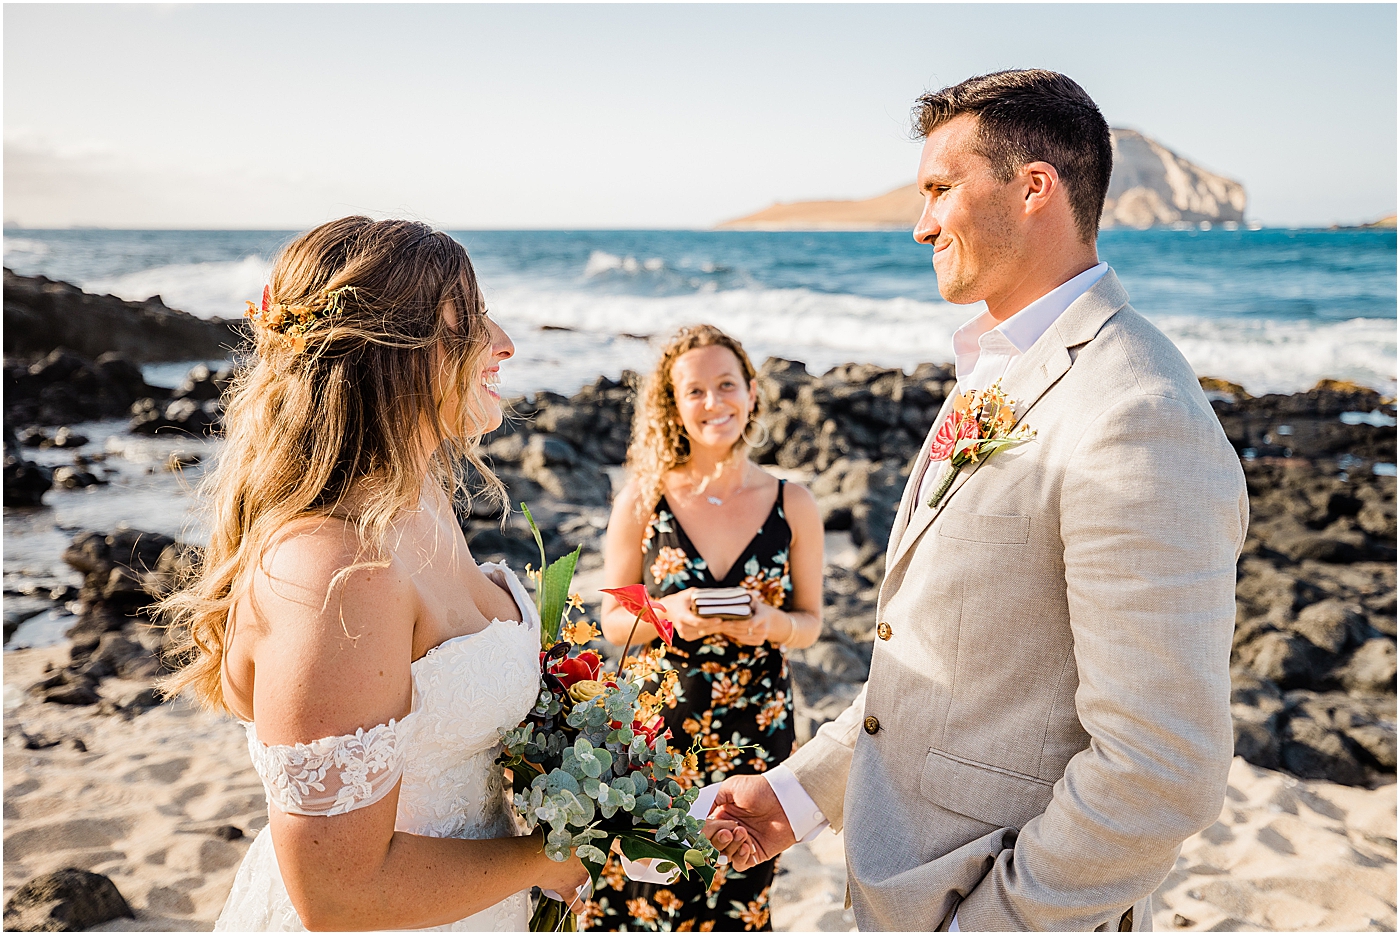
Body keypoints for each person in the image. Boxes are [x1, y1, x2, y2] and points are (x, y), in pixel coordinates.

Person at [708, 70, 1248, 931]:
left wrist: (988, 922)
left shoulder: (1135, 412)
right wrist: (793, 799)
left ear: (1034, 187)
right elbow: (956, 672)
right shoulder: (998, 372)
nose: (921, 223)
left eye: (940, 190)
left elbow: (1161, 766)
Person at [158, 217, 592, 931]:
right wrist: (549, 859)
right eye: (472, 320)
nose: (505, 342)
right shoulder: (335, 572)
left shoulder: (421, 502)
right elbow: (337, 894)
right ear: (392, 354)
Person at [584, 324, 824, 932]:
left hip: (757, 728)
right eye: (695, 391)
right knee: (638, 890)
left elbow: (811, 624)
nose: (713, 403)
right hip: (656, 731)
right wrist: (669, 613)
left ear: (751, 394)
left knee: (740, 893)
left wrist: (771, 623)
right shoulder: (643, 499)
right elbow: (613, 621)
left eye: (725, 385)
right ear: (673, 404)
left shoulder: (793, 503)